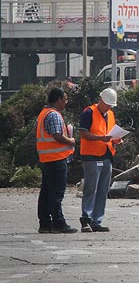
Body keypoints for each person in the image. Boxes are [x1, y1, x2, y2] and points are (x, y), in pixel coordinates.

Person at [78, 88, 121, 233]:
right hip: (91, 156)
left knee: (103, 190)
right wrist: (101, 138)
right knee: (91, 189)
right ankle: (86, 220)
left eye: (111, 105)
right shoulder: (88, 112)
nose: (109, 107)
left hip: (107, 155)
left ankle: (96, 221)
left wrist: (116, 140)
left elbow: (110, 133)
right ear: (100, 100)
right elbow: (83, 133)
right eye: (107, 104)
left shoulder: (110, 114)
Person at [36, 87, 77, 233]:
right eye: (65, 99)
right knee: (56, 193)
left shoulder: (44, 113)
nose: (66, 102)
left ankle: (45, 223)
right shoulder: (54, 114)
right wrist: (71, 141)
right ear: (58, 99)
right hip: (56, 159)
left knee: (46, 192)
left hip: (47, 158)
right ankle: (58, 222)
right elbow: (57, 135)